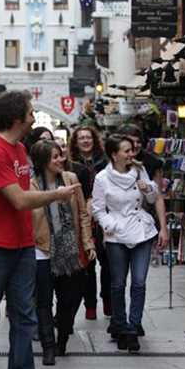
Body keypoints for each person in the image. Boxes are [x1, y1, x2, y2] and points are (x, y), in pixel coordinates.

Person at [0, 91, 78, 369]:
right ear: (17, 118)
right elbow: (19, 199)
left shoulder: (20, 150)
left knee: (24, 314)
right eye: (30, 112)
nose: (33, 116)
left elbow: (27, 192)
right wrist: (57, 194)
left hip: (22, 243)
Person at [91, 134, 168, 352]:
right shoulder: (102, 178)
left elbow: (153, 199)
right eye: (126, 151)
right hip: (116, 235)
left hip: (141, 230)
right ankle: (120, 324)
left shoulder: (139, 170)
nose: (131, 154)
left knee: (139, 282)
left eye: (132, 150)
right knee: (117, 284)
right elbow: (97, 209)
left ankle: (133, 327)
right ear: (114, 154)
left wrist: (148, 189)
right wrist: (111, 225)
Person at [29, 140, 95, 365]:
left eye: (61, 155)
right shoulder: (30, 185)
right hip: (42, 250)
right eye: (54, 156)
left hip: (69, 249)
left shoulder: (71, 179)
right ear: (42, 161)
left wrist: (87, 242)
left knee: (70, 299)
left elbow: (83, 214)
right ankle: (48, 346)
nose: (60, 159)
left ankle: (63, 337)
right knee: (44, 302)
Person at [68, 125, 109, 320]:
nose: (85, 141)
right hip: (83, 220)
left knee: (108, 263)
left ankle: (108, 302)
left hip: (104, 218)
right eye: (81, 138)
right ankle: (90, 306)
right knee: (88, 266)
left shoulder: (105, 162)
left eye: (88, 137)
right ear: (75, 142)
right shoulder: (71, 165)